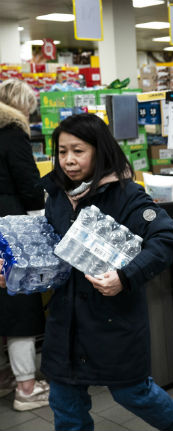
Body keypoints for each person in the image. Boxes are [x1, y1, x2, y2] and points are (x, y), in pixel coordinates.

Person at [14, 113, 173, 431]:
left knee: (131, 392)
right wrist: (17, 270)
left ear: (99, 150)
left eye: (78, 150)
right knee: (64, 402)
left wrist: (124, 276)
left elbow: (168, 240)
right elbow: (52, 250)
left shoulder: (127, 196)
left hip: (112, 320)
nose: (68, 160)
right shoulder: (57, 195)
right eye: (61, 151)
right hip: (65, 320)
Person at [0, 79, 49, 411]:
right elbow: (29, 184)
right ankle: (27, 389)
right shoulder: (14, 131)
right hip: (10, 225)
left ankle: (3, 377)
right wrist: (46, 219)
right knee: (19, 303)